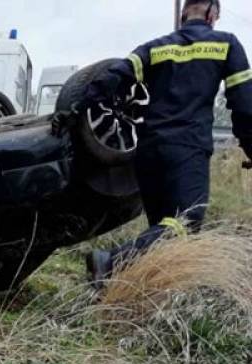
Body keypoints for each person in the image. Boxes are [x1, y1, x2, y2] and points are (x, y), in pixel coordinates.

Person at [64, 0, 252, 285]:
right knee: (187, 222)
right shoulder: (225, 44)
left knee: (165, 233)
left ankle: (140, 295)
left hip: (148, 153)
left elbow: (110, 78)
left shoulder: (155, 48)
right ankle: (110, 262)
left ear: (184, 13)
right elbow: (244, 107)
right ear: (213, 14)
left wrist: (73, 112)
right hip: (187, 150)